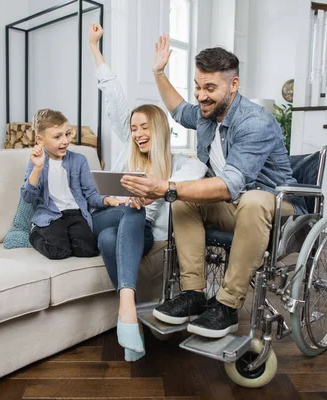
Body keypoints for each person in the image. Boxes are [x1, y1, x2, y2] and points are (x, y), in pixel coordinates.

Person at [121, 35, 306, 339]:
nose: (200, 96)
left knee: (251, 198)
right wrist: (158, 73)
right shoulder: (208, 115)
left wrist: (167, 186)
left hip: (279, 209)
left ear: (233, 85)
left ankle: (227, 306)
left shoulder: (254, 122)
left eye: (209, 88)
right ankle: (193, 294)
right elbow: (178, 110)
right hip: (237, 205)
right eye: (197, 86)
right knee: (183, 199)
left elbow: (229, 186)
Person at [88, 24, 207, 361]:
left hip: (133, 229)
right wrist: (95, 47)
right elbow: (113, 95)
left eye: (144, 127)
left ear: (159, 129)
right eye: (133, 127)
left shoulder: (181, 164)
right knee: (129, 210)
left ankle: (128, 312)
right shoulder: (128, 148)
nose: (137, 133)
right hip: (106, 212)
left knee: (111, 239)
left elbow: (196, 179)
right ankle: (131, 306)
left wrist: (159, 191)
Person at [21, 108, 123, 260]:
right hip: (51, 215)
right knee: (58, 251)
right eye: (58, 137)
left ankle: (65, 236)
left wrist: (107, 200)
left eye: (67, 134)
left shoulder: (79, 160)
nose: (65, 141)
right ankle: (35, 234)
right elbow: (28, 197)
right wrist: (37, 168)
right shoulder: (36, 162)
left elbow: (91, 194)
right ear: (40, 140)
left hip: (75, 213)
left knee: (89, 250)